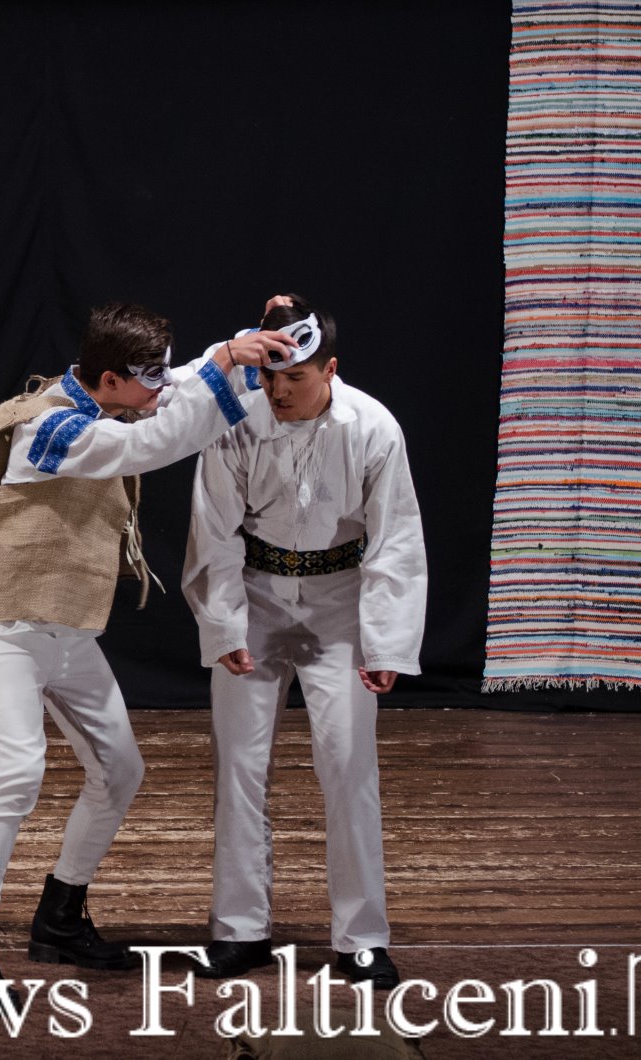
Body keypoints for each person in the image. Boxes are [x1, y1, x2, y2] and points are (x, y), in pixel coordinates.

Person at [0, 302, 295, 1007]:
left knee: (120, 770)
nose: (161, 385)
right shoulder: (51, 427)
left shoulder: (107, 399)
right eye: (148, 376)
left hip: (68, 631)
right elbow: (153, 443)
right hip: (8, 627)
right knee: (18, 770)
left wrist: (240, 345)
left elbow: (180, 384)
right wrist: (227, 362)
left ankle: (60, 916)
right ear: (109, 379)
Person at [181, 296, 426, 989]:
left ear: (330, 370)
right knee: (239, 763)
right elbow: (214, 530)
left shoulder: (372, 426)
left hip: (340, 598)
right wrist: (225, 624)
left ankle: (361, 938)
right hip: (257, 592)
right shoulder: (236, 423)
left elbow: (396, 537)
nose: (279, 390)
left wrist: (385, 641)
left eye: (296, 378)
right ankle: (240, 930)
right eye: (270, 377)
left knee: (348, 763)